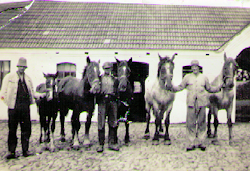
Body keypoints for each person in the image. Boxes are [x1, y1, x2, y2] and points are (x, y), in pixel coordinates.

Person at [170, 60, 222, 151]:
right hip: (191, 103)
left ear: (199, 67)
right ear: (191, 68)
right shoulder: (187, 77)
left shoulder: (204, 78)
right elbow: (180, 87)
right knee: (190, 123)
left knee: (202, 123)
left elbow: (209, 88)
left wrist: (218, 88)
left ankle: (201, 142)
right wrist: (172, 88)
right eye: (192, 67)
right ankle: (191, 143)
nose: (194, 68)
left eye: (196, 67)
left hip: (202, 103)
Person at [1, 57, 44, 159]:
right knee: (12, 130)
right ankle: (11, 152)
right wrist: (9, 103)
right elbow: (3, 94)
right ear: (17, 67)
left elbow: (32, 93)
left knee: (26, 129)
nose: (22, 69)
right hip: (13, 108)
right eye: (20, 66)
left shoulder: (28, 79)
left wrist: (40, 95)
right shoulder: (9, 77)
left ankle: (25, 150)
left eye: (23, 67)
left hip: (25, 108)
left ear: (25, 68)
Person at [96, 62, 119, 152]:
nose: (107, 70)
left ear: (111, 69)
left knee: (113, 122)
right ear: (103, 69)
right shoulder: (100, 79)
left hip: (112, 101)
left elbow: (117, 91)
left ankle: (111, 143)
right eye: (105, 68)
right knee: (101, 123)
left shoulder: (114, 79)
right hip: (102, 101)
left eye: (108, 68)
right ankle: (101, 144)